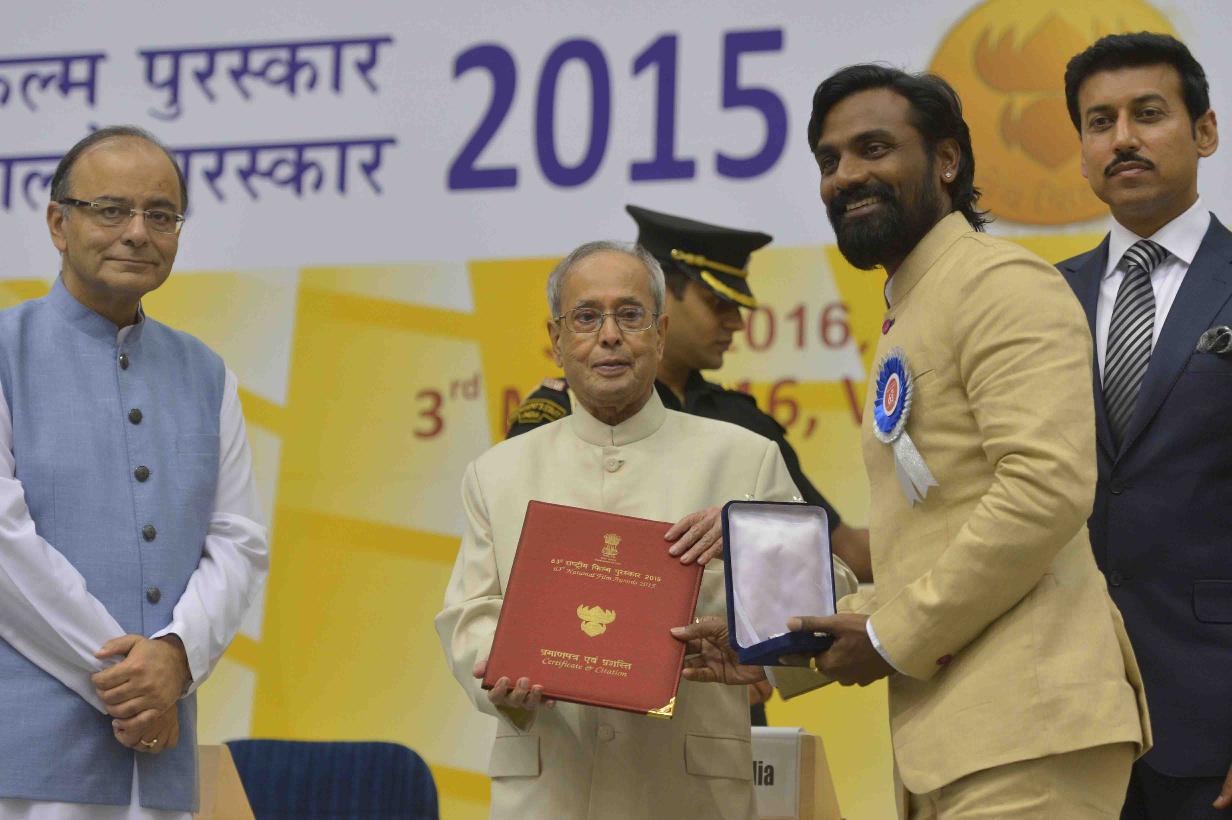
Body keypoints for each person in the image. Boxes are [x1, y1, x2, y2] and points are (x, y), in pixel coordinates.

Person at [674, 64, 1151, 818]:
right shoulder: (920, 302)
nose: (844, 176)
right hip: (964, 738)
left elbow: (1045, 491)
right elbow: (925, 549)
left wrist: (889, 635)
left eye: (873, 149)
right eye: (829, 160)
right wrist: (770, 647)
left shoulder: (999, 282)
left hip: (1028, 731)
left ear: (948, 159)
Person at [435, 240, 857, 819]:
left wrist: (751, 547)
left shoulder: (744, 457)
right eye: (586, 317)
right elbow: (469, 615)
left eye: (630, 315)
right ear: (556, 339)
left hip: (690, 794)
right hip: (550, 791)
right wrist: (501, 670)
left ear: (659, 333)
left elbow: (833, 599)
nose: (609, 335)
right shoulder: (497, 473)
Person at [0, 126, 269, 817]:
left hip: (160, 762)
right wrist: (129, 680)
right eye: (111, 210)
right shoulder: (6, 352)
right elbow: (5, 545)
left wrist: (176, 657)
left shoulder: (206, 374)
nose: (138, 233)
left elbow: (237, 541)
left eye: (161, 215)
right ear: (58, 224)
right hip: (23, 764)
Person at [507, 205, 872, 585]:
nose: (737, 322)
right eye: (718, 303)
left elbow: (831, 558)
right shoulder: (561, 413)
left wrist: (749, 539)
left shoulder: (744, 428)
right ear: (661, 298)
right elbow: (525, 569)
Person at [1059, 32, 1231, 817]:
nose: (1122, 138)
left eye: (1148, 114)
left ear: (1205, 131)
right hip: (1063, 718)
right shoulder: (1041, 301)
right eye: (1100, 122)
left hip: (1211, 716)